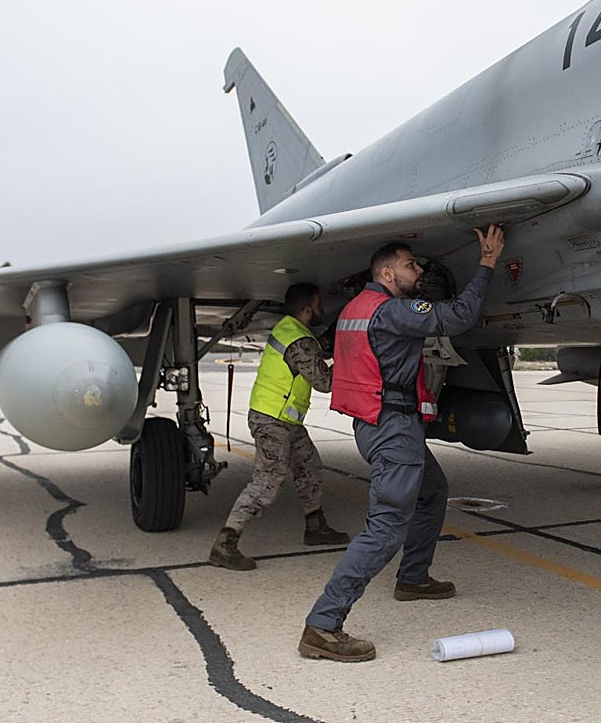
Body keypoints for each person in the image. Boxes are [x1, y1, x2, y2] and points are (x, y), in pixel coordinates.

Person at [298, 225, 505, 662]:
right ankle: (323, 624)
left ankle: (413, 578)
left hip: (378, 423)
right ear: (389, 274)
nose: (420, 270)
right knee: (387, 525)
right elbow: (458, 317)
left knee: (432, 490)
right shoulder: (392, 311)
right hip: (392, 428)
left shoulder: (355, 307)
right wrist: (487, 262)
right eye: (411, 265)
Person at [210, 282, 350, 571]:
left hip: (285, 420)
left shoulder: (292, 330)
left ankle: (315, 526)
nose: (323, 309)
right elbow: (324, 382)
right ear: (308, 309)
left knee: (309, 467)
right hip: (272, 421)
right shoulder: (299, 341)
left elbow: (312, 356)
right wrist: (353, 357)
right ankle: (225, 543)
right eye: (319, 305)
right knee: (267, 482)